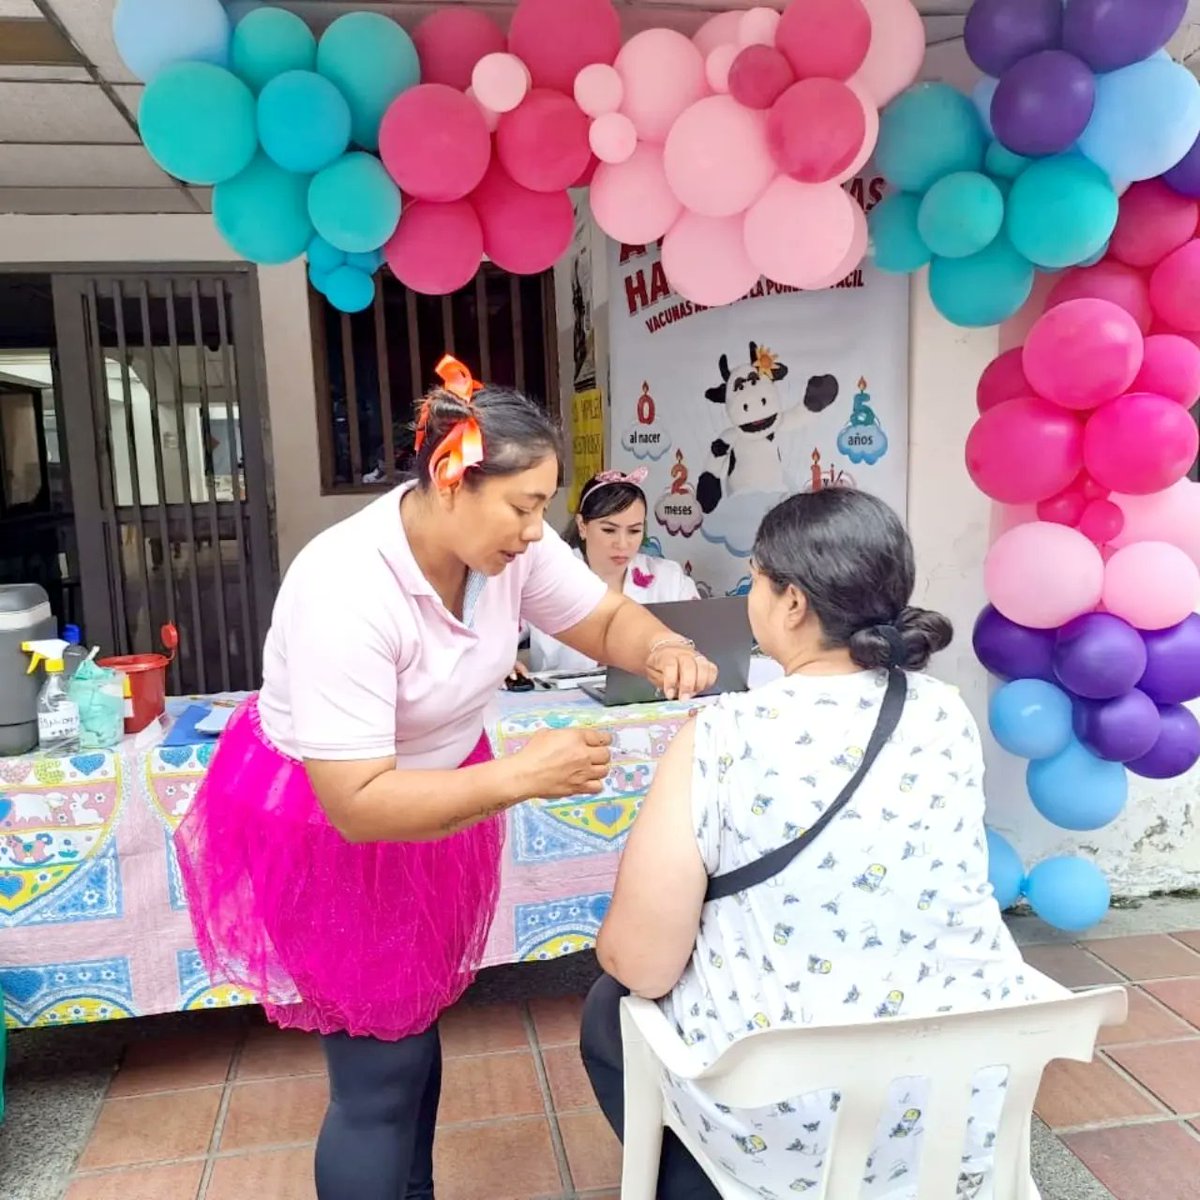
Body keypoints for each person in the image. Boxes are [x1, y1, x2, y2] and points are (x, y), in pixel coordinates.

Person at [174, 355, 717, 1200]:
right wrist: (520, 777)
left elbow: (602, 614)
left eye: (543, 506)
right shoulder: (345, 586)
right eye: (525, 506)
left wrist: (660, 646)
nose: (539, 530)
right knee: (379, 1074)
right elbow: (357, 803)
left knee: (413, 1027)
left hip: (435, 794)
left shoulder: (506, 552)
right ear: (449, 478)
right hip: (336, 825)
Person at [580, 487, 1045, 1200]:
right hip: (965, 1099)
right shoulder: (946, 714)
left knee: (606, 1011)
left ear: (791, 603)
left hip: (789, 1127)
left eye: (757, 579)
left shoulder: (721, 736)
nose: (751, 595)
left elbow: (639, 962)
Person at [526, 468, 699, 674]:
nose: (622, 544)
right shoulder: (551, 570)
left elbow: (703, 640)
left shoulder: (669, 578)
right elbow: (494, 632)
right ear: (582, 525)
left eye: (634, 531)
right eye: (609, 530)